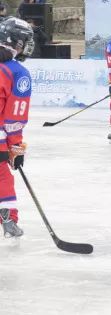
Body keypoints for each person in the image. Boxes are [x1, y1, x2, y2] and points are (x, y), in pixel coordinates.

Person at [0, 17, 35, 238]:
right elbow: (14, 118)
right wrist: (16, 149)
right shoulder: (17, 72)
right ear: (17, 42)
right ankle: (8, 218)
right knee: (2, 176)